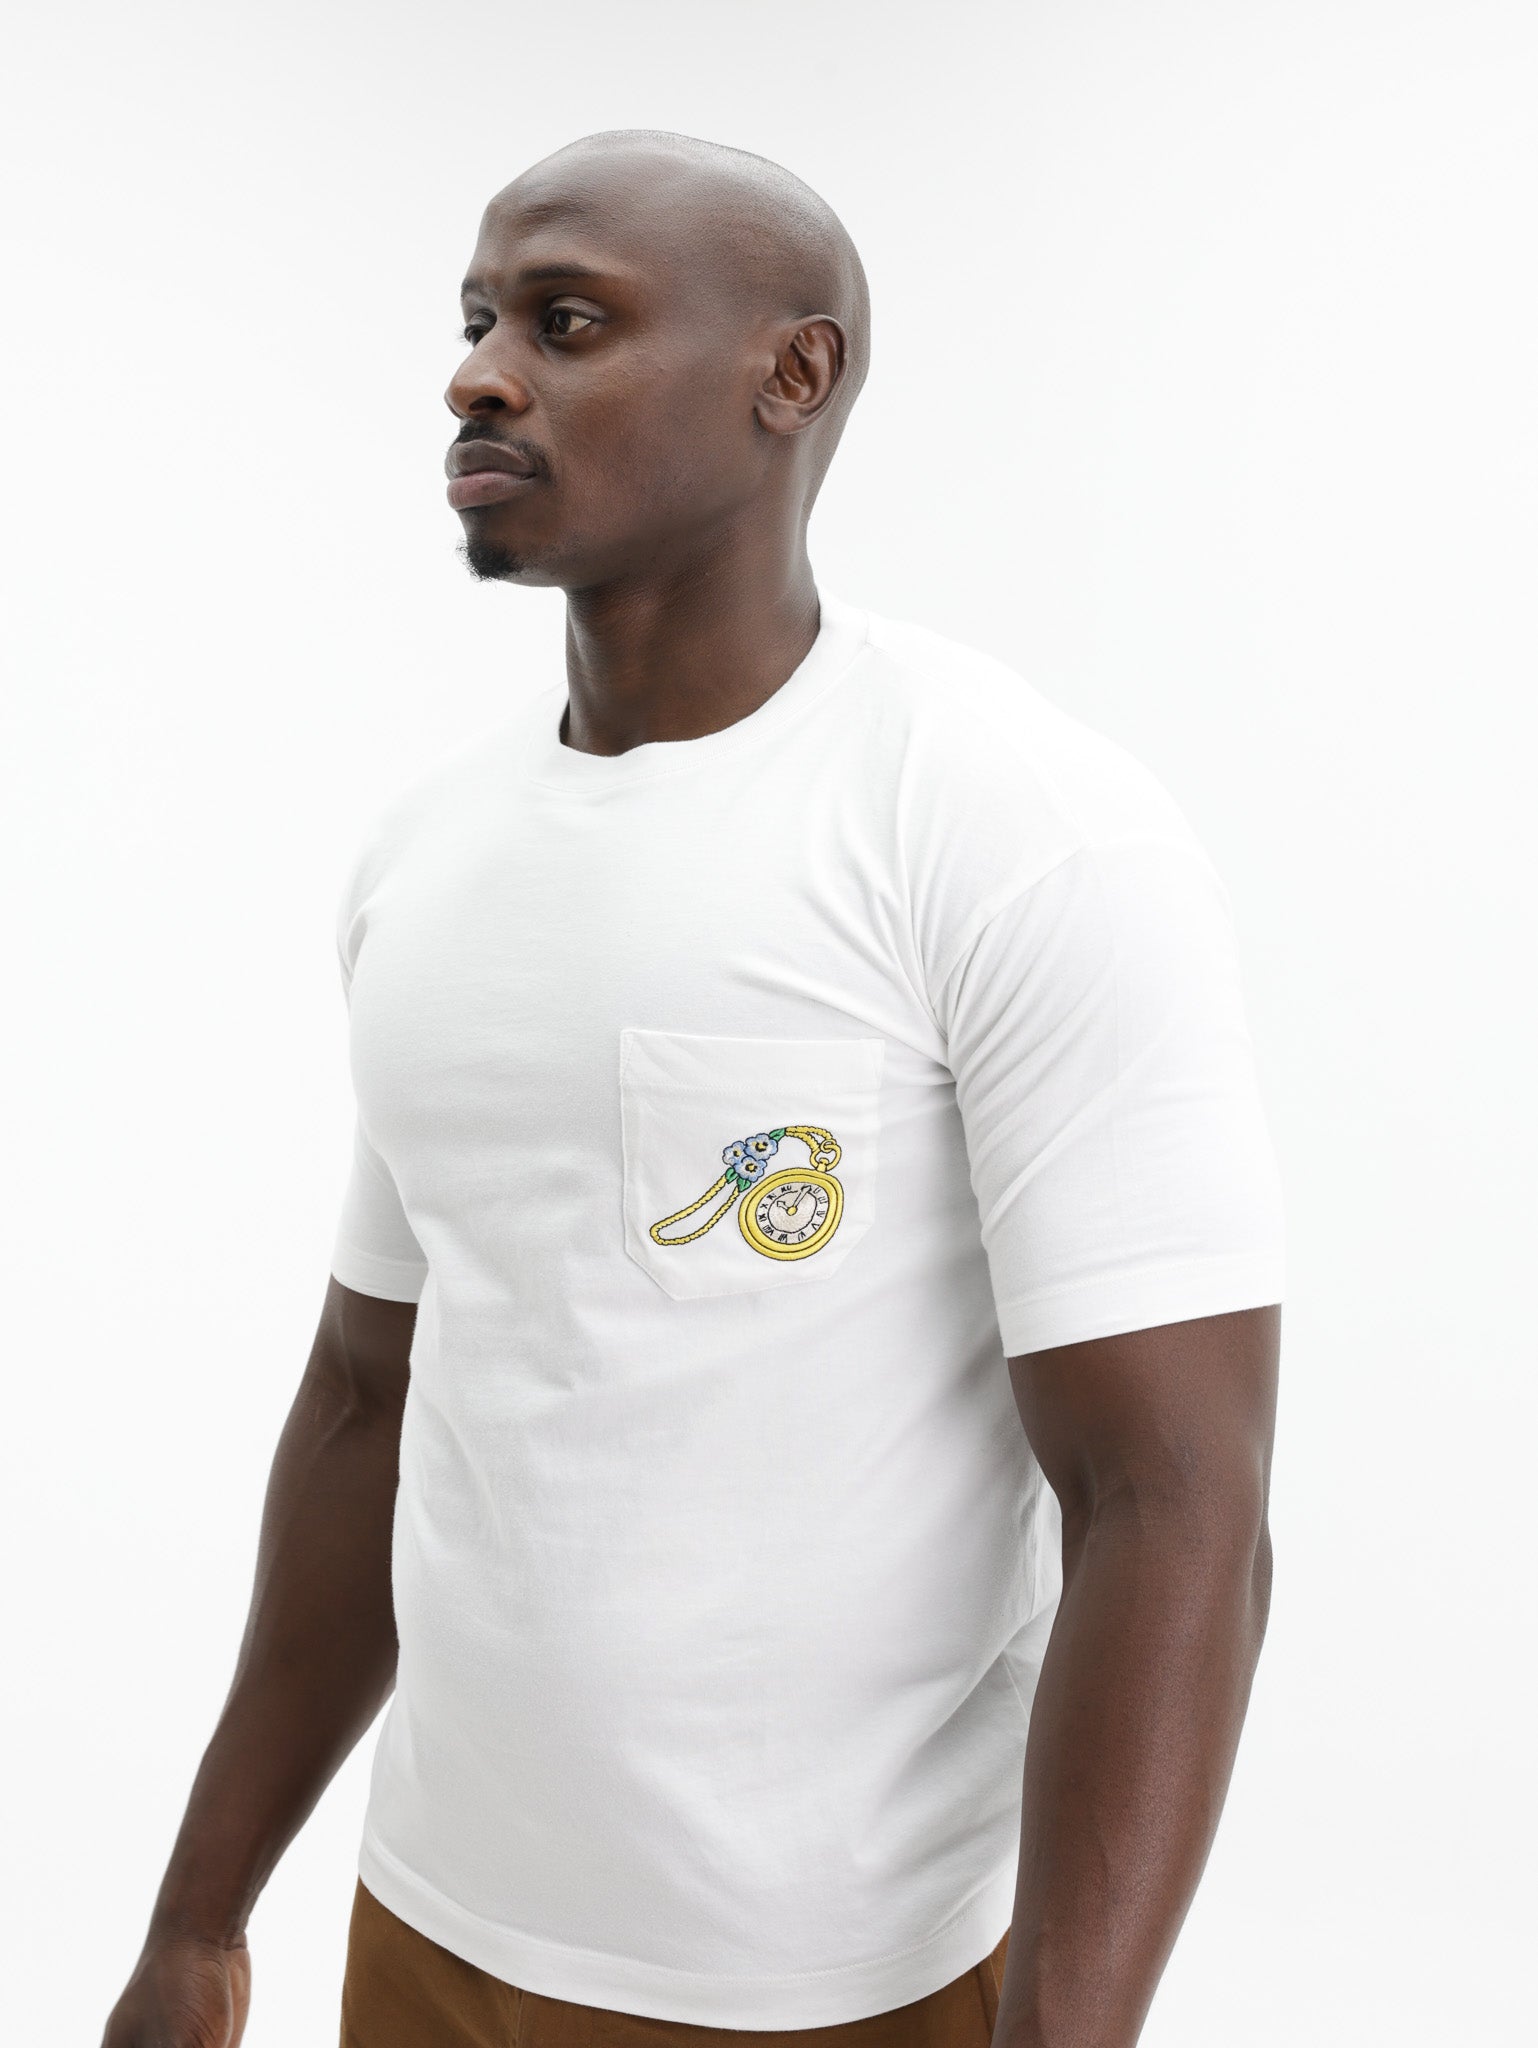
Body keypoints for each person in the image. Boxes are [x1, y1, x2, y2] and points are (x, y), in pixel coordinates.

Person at [101, 130, 1285, 2048]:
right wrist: (200, 1914)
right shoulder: (427, 858)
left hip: (833, 1986)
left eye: (565, 324)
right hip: (429, 1929)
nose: (479, 376)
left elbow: (1173, 1500)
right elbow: (368, 1397)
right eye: (476, 323)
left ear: (790, 374)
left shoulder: (1010, 827)